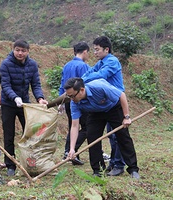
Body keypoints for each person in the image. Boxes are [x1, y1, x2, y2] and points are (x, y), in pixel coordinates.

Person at [64, 77, 140, 179]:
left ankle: (133, 169)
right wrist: (72, 149)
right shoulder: (74, 103)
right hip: (95, 113)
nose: (72, 99)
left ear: (82, 90)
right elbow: (74, 125)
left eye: (73, 96)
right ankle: (98, 171)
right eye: (69, 97)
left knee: (123, 136)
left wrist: (126, 117)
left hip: (113, 108)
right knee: (92, 139)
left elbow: (122, 95)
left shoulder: (99, 87)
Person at [0, 39, 48, 176]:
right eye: (17, 50)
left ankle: (30, 162)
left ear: (28, 51)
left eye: (23, 51)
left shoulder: (32, 65)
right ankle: (10, 165)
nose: (20, 53)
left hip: (24, 104)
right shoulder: (6, 64)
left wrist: (40, 98)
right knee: (9, 134)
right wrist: (14, 97)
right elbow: (5, 85)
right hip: (8, 104)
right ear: (13, 49)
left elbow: (36, 84)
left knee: (29, 133)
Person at [82, 36, 126, 176]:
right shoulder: (101, 62)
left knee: (117, 135)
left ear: (106, 49)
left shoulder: (112, 61)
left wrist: (83, 82)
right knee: (110, 135)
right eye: (94, 50)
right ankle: (112, 163)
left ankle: (119, 165)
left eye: (97, 50)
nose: (95, 53)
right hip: (105, 102)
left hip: (116, 100)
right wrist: (79, 81)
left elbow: (101, 75)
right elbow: (90, 72)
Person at [58, 42, 90, 165]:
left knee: (73, 126)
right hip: (79, 101)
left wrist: (61, 102)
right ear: (85, 52)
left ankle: (70, 152)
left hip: (67, 100)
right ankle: (71, 150)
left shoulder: (67, 65)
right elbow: (86, 85)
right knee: (87, 127)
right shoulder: (83, 66)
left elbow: (63, 84)